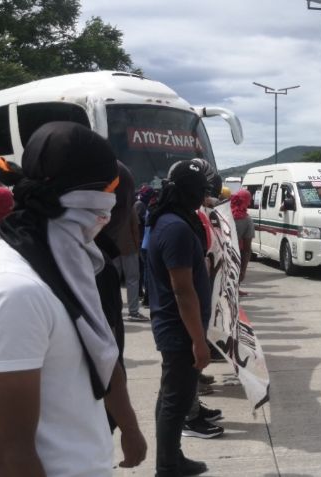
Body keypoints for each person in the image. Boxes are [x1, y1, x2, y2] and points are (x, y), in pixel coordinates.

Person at [0, 122, 146, 475]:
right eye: (112, 192)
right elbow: (10, 458)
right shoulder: (12, 292)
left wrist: (128, 426)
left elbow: (98, 348)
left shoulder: (62, 264)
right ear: (91, 196)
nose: (112, 212)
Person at [148, 160, 217, 476]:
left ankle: (172, 457)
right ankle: (167, 467)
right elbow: (182, 291)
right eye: (200, 191)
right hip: (180, 331)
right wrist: (199, 342)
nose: (203, 197)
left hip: (177, 328)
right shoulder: (175, 227)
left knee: (170, 398)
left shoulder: (172, 221)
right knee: (176, 402)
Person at [114, 206, 144, 321]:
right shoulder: (129, 208)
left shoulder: (109, 206)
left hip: (112, 249)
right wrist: (137, 248)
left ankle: (116, 309)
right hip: (129, 248)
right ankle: (133, 312)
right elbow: (135, 229)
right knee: (132, 280)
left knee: (113, 281)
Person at [231, 189, 254, 297]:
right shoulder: (247, 220)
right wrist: (243, 270)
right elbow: (247, 248)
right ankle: (236, 289)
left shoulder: (222, 212)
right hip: (237, 252)